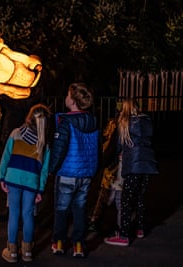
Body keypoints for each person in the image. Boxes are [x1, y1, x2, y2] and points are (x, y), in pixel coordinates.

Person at [49, 82, 100, 258]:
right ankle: (79, 244)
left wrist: (51, 169)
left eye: (68, 95)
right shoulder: (93, 121)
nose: (66, 97)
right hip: (86, 173)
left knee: (62, 209)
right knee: (80, 209)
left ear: (72, 101)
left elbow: (59, 149)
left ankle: (59, 242)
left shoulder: (66, 122)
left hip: (67, 173)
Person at [0, 103, 51, 263]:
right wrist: (40, 189)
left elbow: (6, 157)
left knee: (14, 214)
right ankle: (27, 251)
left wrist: (2, 176)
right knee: (28, 215)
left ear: (28, 118)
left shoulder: (15, 134)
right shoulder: (44, 144)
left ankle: (12, 250)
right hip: (31, 183)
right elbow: (44, 170)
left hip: (13, 179)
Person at [104, 98, 159, 246]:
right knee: (140, 197)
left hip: (133, 165)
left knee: (126, 200)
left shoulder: (125, 123)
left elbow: (119, 147)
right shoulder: (146, 121)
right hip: (148, 164)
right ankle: (140, 228)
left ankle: (123, 235)